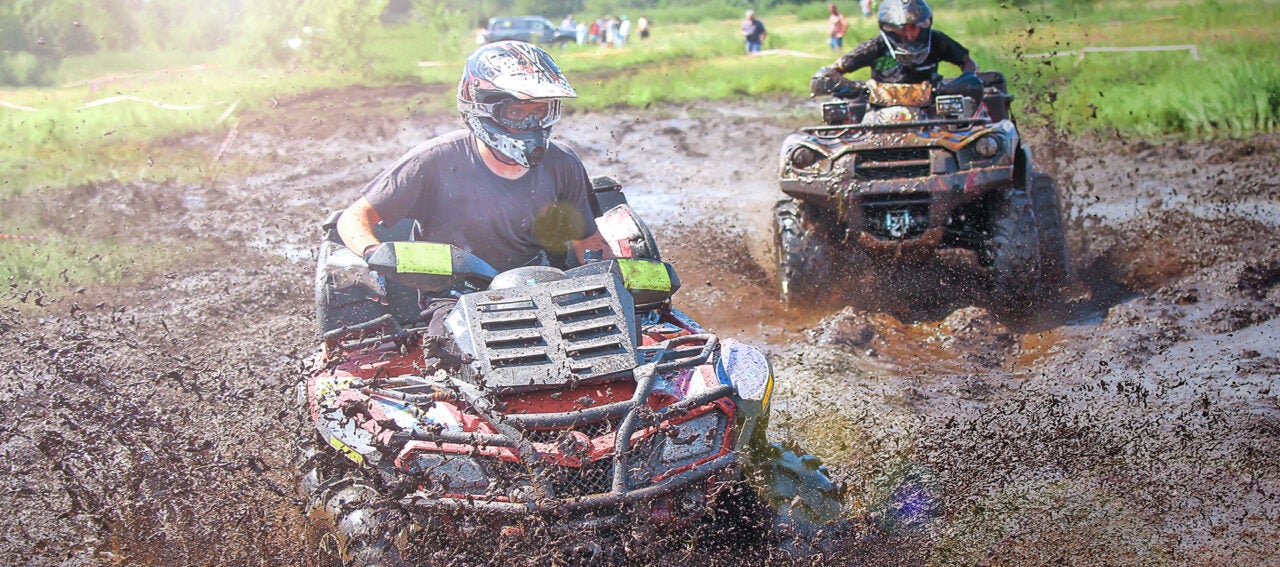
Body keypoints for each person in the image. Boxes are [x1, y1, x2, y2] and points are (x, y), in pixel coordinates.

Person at [336, 41, 609, 333]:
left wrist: (610, 292)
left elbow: (588, 243)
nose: (532, 122)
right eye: (516, 112)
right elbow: (354, 218)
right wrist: (374, 253)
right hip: (457, 296)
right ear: (483, 108)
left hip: (543, 287)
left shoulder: (562, 162)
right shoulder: (434, 161)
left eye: (540, 111)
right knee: (455, 354)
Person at [817, 0, 977, 88]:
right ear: (890, 28)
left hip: (930, 105)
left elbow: (968, 62)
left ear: (924, 23)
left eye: (914, 27)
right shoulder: (875, 47)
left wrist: (963, 81)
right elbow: (834, 70)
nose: (909, 34)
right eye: (902, 28)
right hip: (882, 111)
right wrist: (851, 87)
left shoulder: (937, 41)